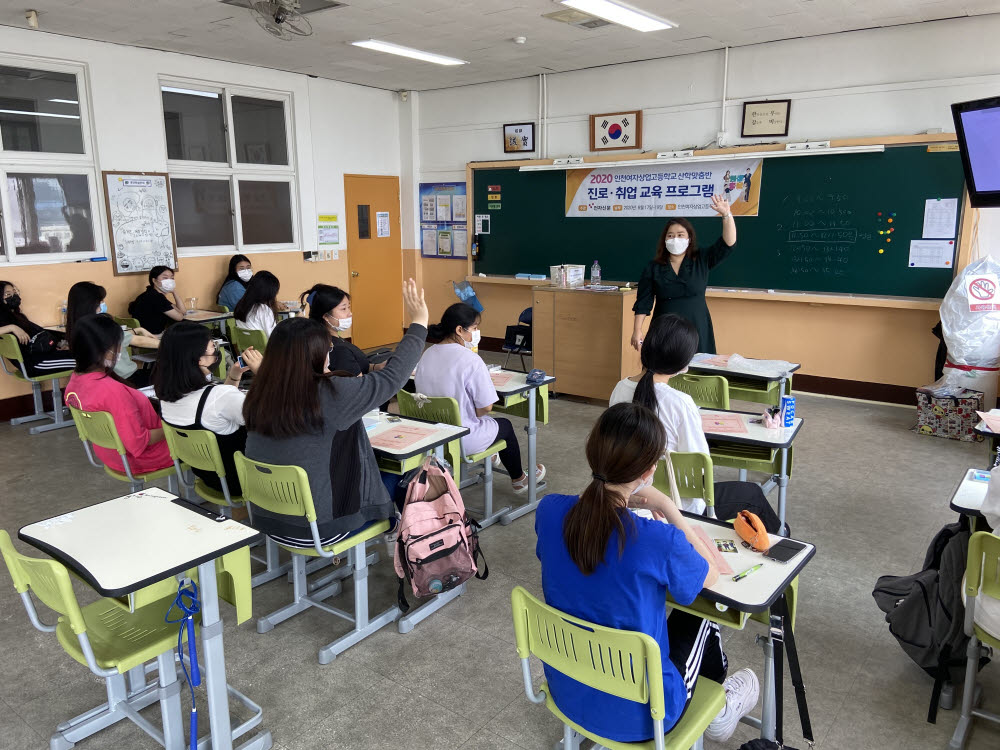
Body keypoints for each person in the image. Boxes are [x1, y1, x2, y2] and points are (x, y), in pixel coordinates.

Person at [534, 402, 758, 745]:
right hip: (648, 713)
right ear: (649, 471)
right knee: (703, 615)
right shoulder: (659, 539)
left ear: (593, 454)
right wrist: (668, 507)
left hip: (569, 689)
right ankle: (720, 708)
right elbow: (710, 576)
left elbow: (588, 536)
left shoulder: (548, 510)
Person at [243, 279, 428, 547]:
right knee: (409, 476)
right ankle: (414, 550)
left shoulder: (260, 393)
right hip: (321, 528)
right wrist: (419, 322)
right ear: (314, 356)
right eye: (326, 350)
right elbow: (393, 377)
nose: (330, 353)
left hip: (270, 522)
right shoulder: (331, 393)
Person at [611, 314, 782, 532]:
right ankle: (781, 540)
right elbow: (700, 470)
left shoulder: (619, 388)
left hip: (630, 498)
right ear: (683, 362)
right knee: (752, 494)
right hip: (678, 507)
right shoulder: (680, 403)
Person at [415, 302, 545, 494]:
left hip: (432, 438)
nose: (477, 332)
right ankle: (520, 479)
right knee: (505, 426)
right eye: (474, 328)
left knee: (483, 420)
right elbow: (486, 406)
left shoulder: (427, 353)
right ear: (460, 330)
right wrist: (474, 413)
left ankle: (491, 456)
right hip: (461, 440)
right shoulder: (470, 360)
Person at [156, 322, 261, 496]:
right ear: (199, 359)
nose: (216, 350)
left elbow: (218, 408)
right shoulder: (220, 396)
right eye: (213, 346)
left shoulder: (166, 397)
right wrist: (264, 374)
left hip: (210, 477)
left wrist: (234, 376)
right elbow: (272, 419)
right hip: (243, 481)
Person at [65, 314, 173, 475]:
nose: (120, 349)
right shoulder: (113, 391)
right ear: (106, 350)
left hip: (109, 453)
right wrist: (172, 425)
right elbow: (138, 443)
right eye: (119, 345)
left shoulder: (74, 382)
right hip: (144, 457)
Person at [631, 193, 737, 354]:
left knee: (697, 371)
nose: (675, 239)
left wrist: (726, 215)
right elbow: (643, 302)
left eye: (680, 235)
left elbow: (727, 244)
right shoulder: (653, 267)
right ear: (664, 240)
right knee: (663, 370)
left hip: (697, 328)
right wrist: (637, 330)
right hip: (663, 330)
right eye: (670, 235)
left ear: (689, 239)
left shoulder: (702, 259)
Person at [66, 281, 160, 387]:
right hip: (126, 379)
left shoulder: (77, 327)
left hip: (101, 381)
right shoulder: (101, 326)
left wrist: (137, 330)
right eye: (100, 301)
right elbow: (139, 341)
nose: (102, 305)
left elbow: (120, 336)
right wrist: (170, 343)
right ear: (91, 304)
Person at [301, 283, 383, 376]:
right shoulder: (338, 350)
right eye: (343, 309)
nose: (350, 313)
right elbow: (362, 387)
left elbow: (358, 366)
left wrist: (377, 367)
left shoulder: (329, 337)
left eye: (348, 307)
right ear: (326, 316)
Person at [0, 281, 75, 376]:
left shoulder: (17, 316)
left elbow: (37, 339)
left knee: (85, 355)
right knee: (87, 361)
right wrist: (12, 327)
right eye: (8, 294)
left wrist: (56, 346)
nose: (13, 296)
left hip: (44, 355)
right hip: (36, 364)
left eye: (14, 292)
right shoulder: (3, 319)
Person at [128, 266, 186, 335]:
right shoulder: (156, 297)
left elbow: (182, 311)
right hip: (152, 336)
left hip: (143, 335)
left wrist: (174, 292)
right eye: (165, 278)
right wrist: (180, 313)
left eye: (172, 278)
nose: (169, 281)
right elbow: (179, 317)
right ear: (154, 280)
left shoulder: (150, 294)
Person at [234, 270, 281, 337]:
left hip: (248, 347)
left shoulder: (241, 305)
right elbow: (273, 337)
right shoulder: (263, 309)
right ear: (268, 293)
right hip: (266, 347)